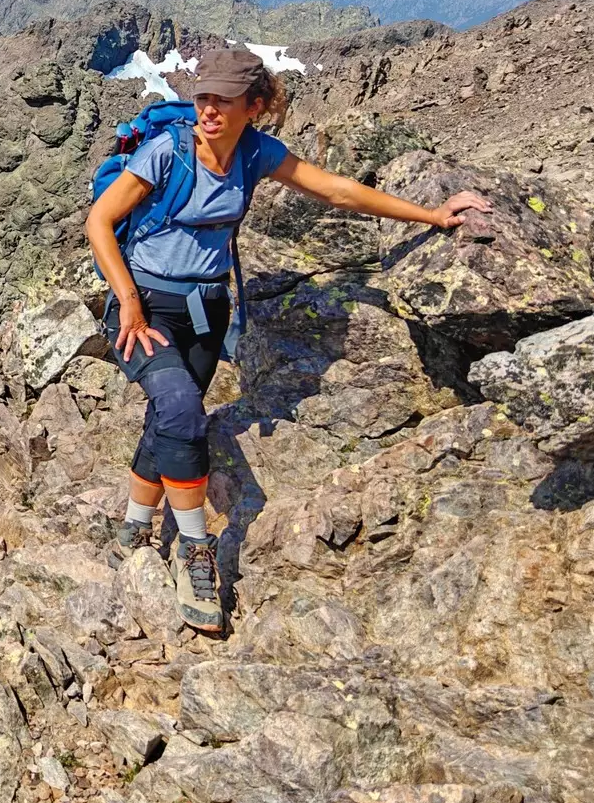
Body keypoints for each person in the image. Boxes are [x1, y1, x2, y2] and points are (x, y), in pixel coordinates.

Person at [83, 45, 490, 633]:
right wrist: (126, 301)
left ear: (254, 106)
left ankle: (135, 522)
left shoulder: (254, 153)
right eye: (203, 97)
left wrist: (431, 216)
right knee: (177, 405)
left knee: (179, 414)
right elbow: (100, 219)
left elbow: (336, 191)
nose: (210, 110)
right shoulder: (165, 152)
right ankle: (195, 551)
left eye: (224, 100)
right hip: (144, 305)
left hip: (209, 307)